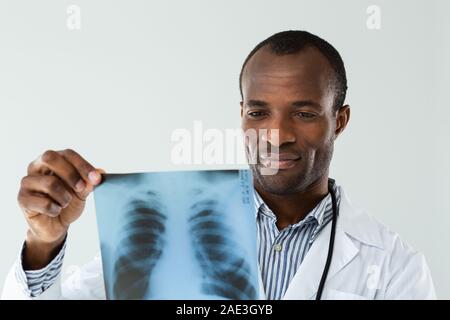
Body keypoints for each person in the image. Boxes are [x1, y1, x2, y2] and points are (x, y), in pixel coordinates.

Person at [2, 30, 436, 300]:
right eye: (258, 112)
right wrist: (43, 241)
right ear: (241, 113)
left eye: (303, 113)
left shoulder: (395, 267)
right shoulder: (163, 225)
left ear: (339, 120)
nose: (277, 134)